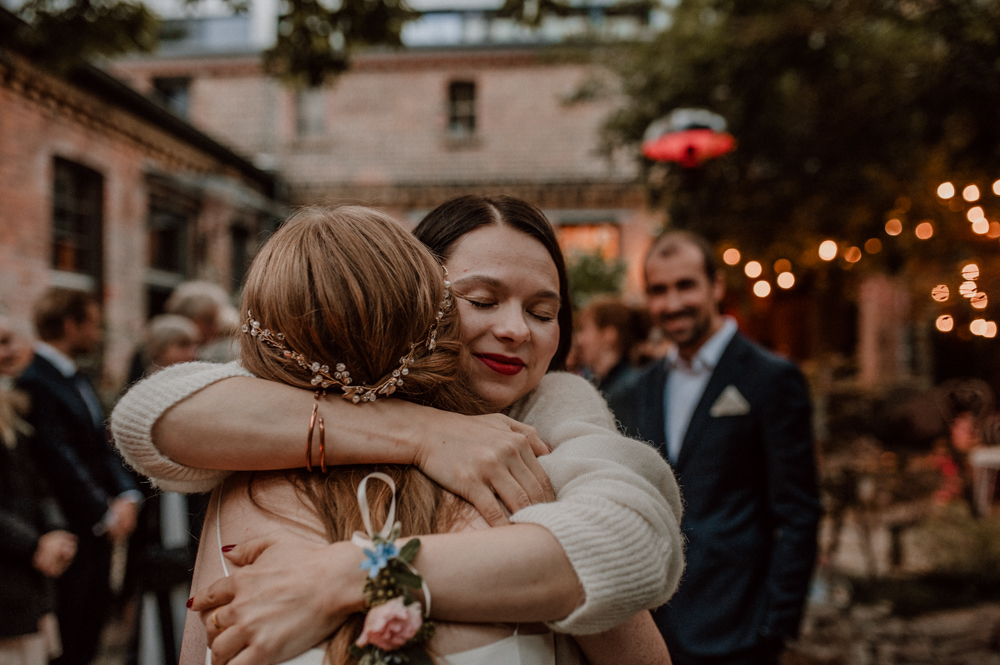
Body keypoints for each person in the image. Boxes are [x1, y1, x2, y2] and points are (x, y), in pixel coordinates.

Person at [111, 195, 684, 665]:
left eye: (542, 312)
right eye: (482, 300)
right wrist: (420, 431)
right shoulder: (297, 398)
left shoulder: (551, 415)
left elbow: (634, 544)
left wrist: (357, 572)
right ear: (415, 296)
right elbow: (148, 418)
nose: (515, 330)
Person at [608, 230, 822, 665]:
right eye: (658, 290)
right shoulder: (643, 386)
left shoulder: (771, 378)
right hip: (655, 630)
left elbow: (799, 511)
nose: (671, 304)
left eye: (685, 285)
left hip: (739, 631)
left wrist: (774, 627)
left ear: (716, 286)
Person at [17, 289, 141, 665]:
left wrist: (127, 495)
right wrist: (102, 513)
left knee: (90, 633)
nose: (98, 334)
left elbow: (101, 445)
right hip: (68, 529)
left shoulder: (78, 377)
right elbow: (58, 457)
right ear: (70, 325)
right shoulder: (36, 379)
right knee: (69, 638)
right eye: (93, 324)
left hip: (99, 526)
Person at [0, 314, 78, 665]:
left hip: (28, 580)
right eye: (2, 342)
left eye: (14, 339)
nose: (16, 350)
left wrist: (56, 530)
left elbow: (37, 482)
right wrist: (33, 543)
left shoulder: (13, 404)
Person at [572, 296, 651, 397]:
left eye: (583, 330)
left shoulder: (630, 389)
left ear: (609, 335)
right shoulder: (606, 383)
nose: (578, 340)